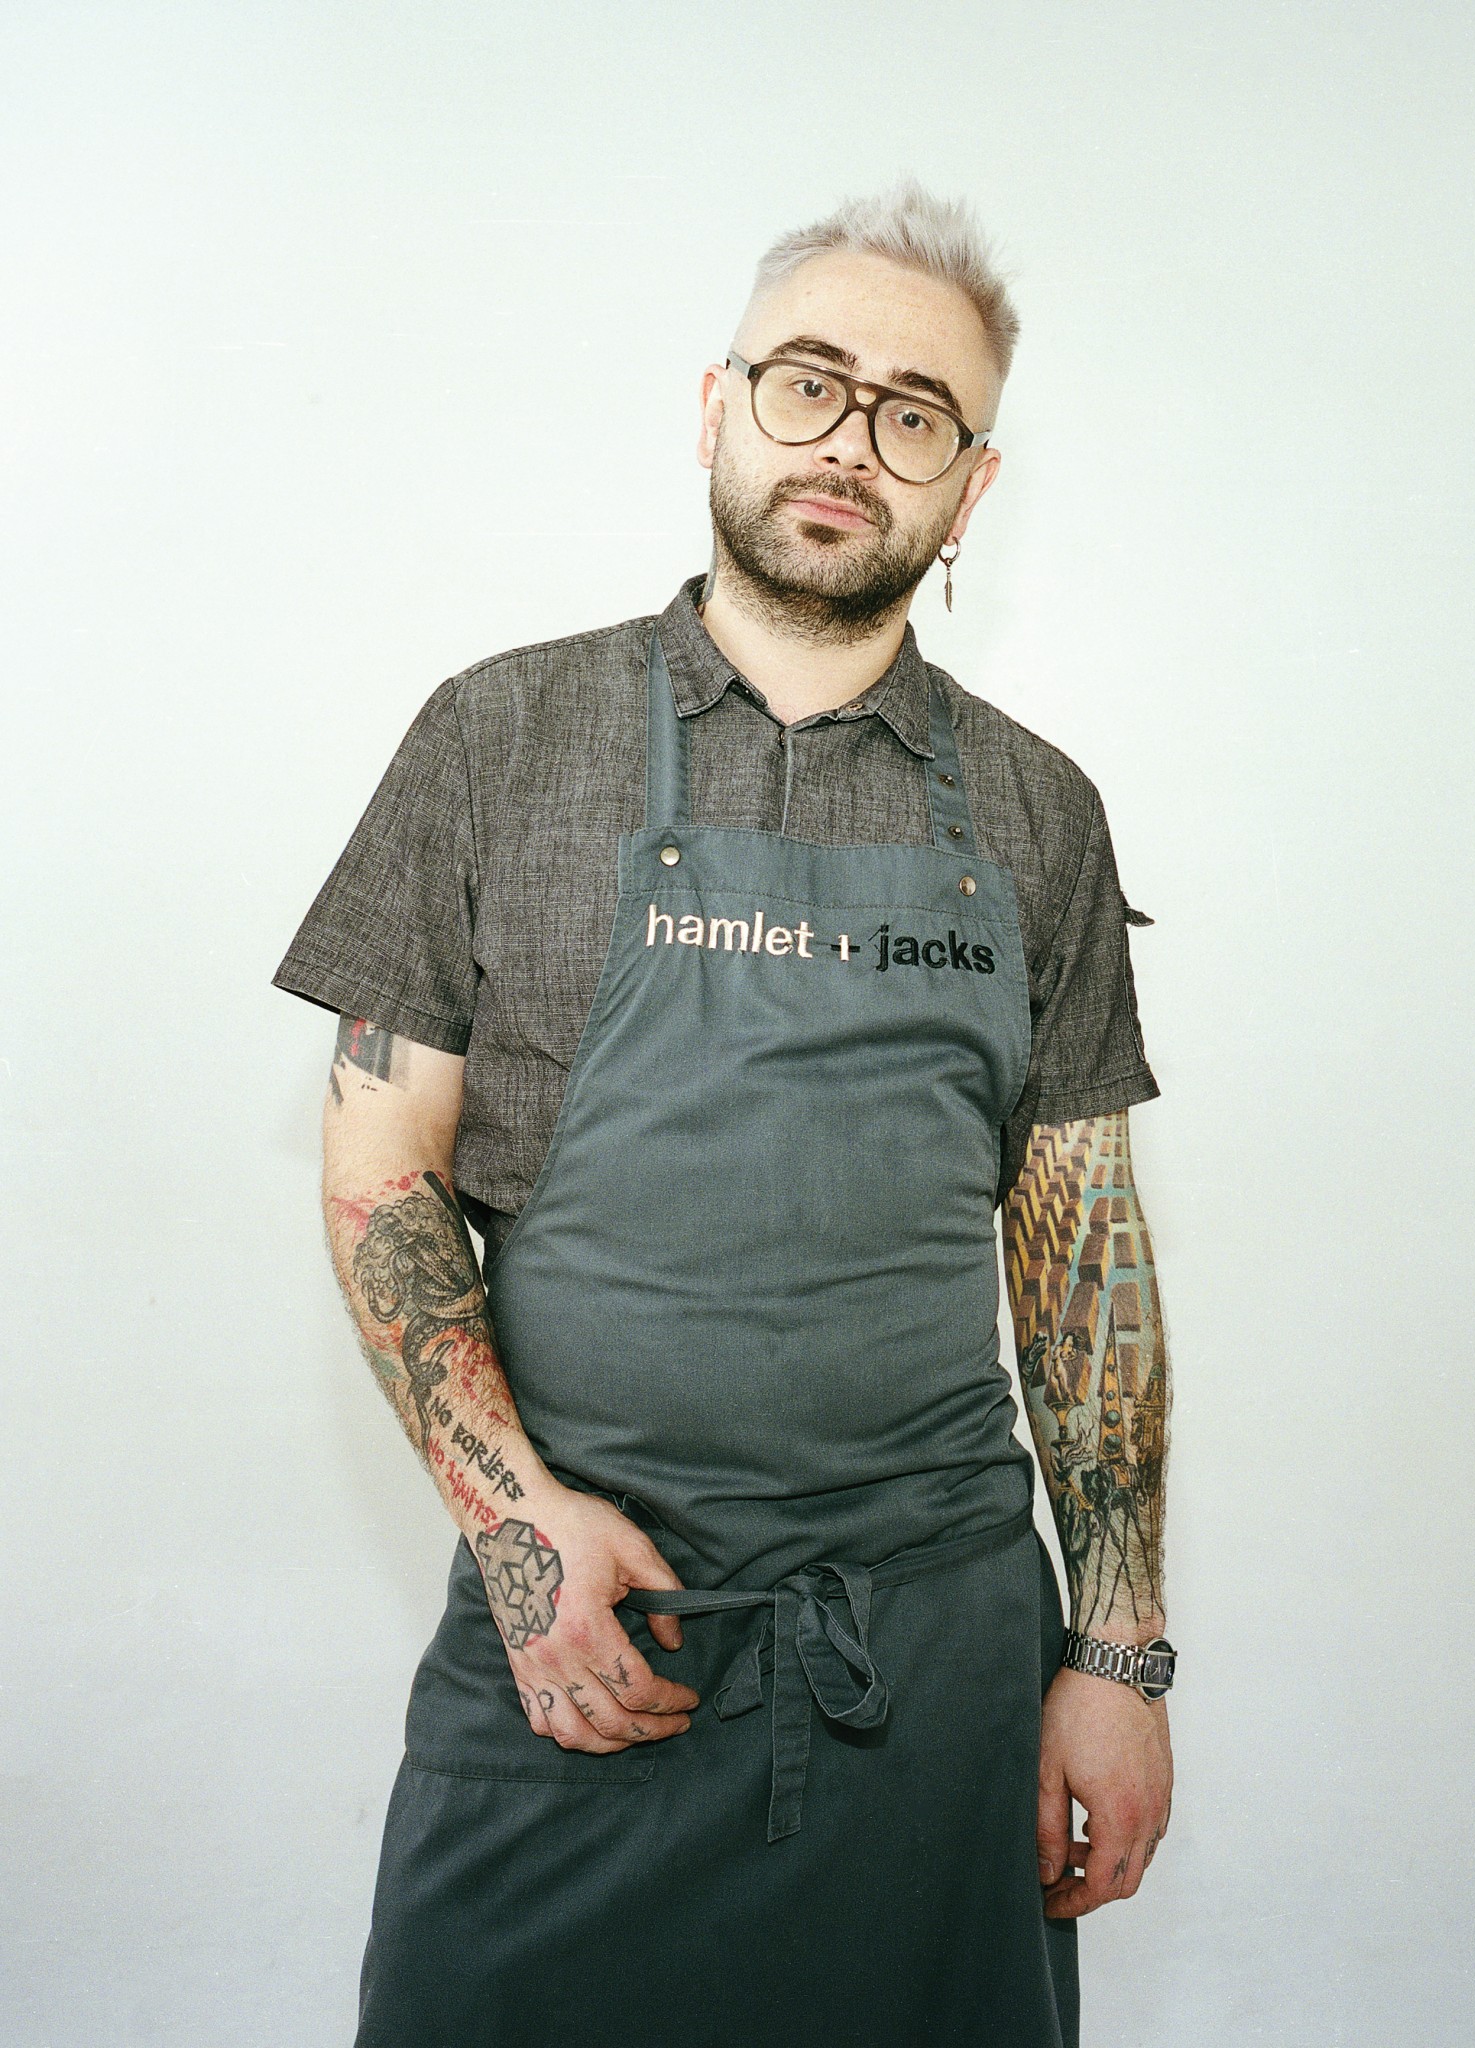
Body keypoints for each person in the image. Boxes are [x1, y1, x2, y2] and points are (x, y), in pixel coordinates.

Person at [273, 183, 1175, 2048]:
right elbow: (381, 1170)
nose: (851, 443)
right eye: (808, 383)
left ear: (971, 489)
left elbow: (1084, 1265)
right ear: (718, 406)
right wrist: (520, 1529)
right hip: (583, 1645)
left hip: (934, 1677)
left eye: (916, 414)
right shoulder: (500, 737)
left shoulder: (1038, 815)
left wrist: (1116, 1653)